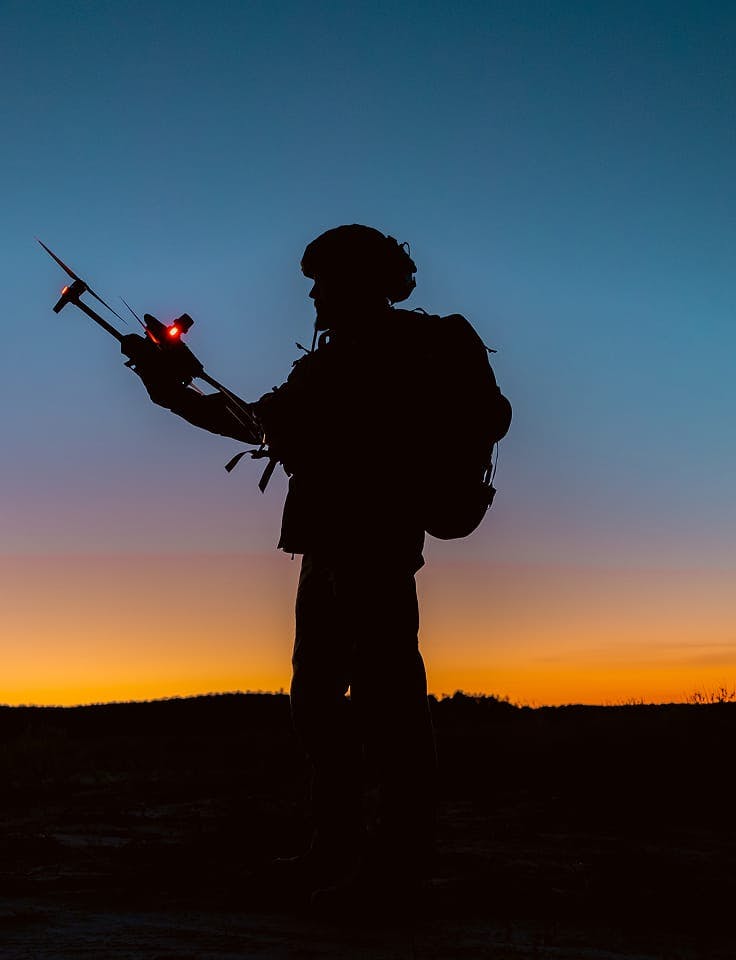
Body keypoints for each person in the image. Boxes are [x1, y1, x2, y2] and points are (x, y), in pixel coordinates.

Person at [124, 225, 442, 907]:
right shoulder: (332, 361)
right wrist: (171, 386)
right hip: (328, 546)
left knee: (387, 701)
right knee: (317, 701)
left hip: (373, 546)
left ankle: (395, 865)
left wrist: (175, 387)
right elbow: (266, 422)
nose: (314, 293)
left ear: (358, 282)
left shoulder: (392, 353)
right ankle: (338, 849)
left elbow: (275, 425)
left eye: (324, 280)